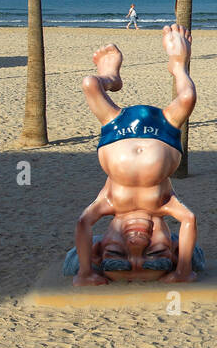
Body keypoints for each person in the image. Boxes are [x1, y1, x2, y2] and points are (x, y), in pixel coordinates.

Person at [71, 24, 198, 286]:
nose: (136, 245)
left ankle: (110, 77)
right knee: (187, 98)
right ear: (172, 251)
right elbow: (189, 220)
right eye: (156, 256)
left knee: (90, 83)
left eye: (117, 255)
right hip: (164, 130)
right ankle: (177, 65)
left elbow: (83, 223)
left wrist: (85, 273)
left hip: (115, 128)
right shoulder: (163, 203)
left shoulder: (110, 202)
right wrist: (183, 271)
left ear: (99, 248)